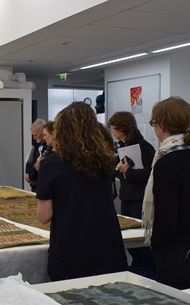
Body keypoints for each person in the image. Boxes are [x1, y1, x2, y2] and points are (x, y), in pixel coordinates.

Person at [36, 102, 128, 281]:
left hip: (71, 247)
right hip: (107, 247)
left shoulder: (52, 164)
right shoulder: (105, 160)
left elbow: (43, 216)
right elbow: (109, 194)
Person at [143, 97, 190, 290]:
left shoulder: (166, 162)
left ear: (161, 125)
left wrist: (157, 245)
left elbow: (166, 217)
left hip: (178, 253)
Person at [108, 111, 156, 274]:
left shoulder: (144, 147)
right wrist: (121, 171)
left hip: (139, 199)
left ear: (123, 128)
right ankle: (139, 270)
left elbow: (150, 175)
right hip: (127, 197)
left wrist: (127, 172)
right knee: (130, 243)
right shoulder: (123, 147)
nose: (113, 132)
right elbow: (119, 172)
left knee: (142, 241)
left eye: (114, 128)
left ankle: (149, 272)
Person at [25, 119, 46, 192]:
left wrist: (33, 176)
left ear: (43, 131)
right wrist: (28, 175)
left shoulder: (49, 146)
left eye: (36, 135)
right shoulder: (36, 144)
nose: (34, 137)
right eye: (33, 135)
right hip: (34, 185)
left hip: (43, 185)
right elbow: (29, 161)